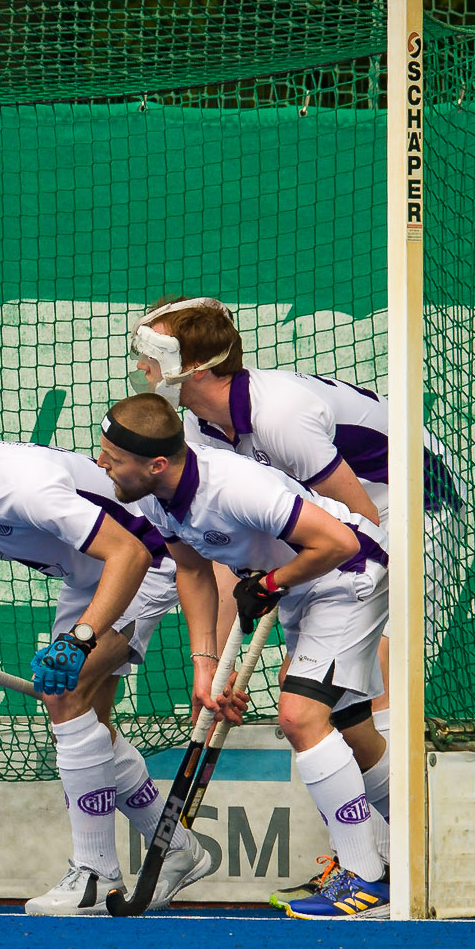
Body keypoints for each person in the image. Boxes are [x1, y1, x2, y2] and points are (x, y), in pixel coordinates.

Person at [128, 296, 461, 903]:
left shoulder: (279, 414)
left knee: (359, 684)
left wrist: (285, 585)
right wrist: (217, 668)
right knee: (326, 700)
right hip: (333, 531)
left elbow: (360, 526)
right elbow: (222, 559)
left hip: (408, 505)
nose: (140, 367)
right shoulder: (197, 432)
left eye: (150, 353)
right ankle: (376, 860)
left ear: (190, 366)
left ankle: (385, 868)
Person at [0, 387, 221, 914]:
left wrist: (80, 640)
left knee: (63, 692)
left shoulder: (24, 489)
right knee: (91, 722)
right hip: (88, 573)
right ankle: (178, 849)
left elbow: (129, 553)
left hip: (145, 562)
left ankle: (96, 875)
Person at [96, 392, 393, 919]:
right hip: (304, 587)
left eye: (113, 458)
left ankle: (365, 878)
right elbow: (192, 571)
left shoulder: (236, 486)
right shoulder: (152, 496)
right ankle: (420, 839)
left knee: (300, 716)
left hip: (349, 574)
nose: (102, 464)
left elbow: (341, 544)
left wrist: (271, 583)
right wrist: (207, 664)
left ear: (157, 463)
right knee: (349, 724)